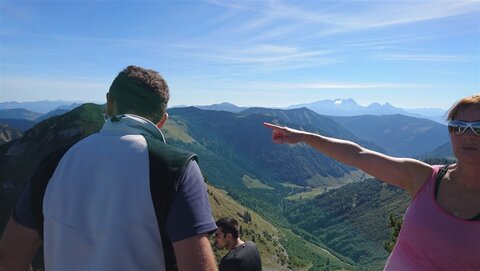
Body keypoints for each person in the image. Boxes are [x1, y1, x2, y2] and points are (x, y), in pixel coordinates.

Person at [0, 65, 218, 271]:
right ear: (162, 120)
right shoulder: (176, 167)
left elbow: (9, 260)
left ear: (109, 103)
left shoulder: (54, 163)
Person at [264, 94, 480, 270]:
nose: (467, 135)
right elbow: (357, 155)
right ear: (451, 132)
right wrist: (303, 136)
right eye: (459, 126)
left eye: (478, 127)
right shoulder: (425, 178)